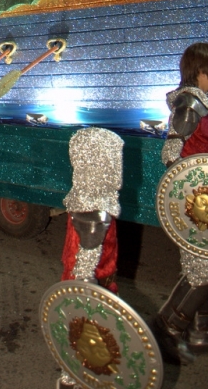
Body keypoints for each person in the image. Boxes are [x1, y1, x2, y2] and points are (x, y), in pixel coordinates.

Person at [155, 42, 208, 364]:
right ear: (201, 72)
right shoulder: (190, 104)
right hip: (195, 204)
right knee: (205, 270)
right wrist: (192, 197)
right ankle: (167, 331)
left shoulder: (199, 103)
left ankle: (200, 335)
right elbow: (171, 155)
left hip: (207, 200)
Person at [57, 127, 123, 389]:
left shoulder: (83, 200)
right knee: (84, 339)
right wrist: (96, 307)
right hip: (94, 285)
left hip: (86, 279)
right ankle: (71, 377)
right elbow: (85, 273)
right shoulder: (96, 213)